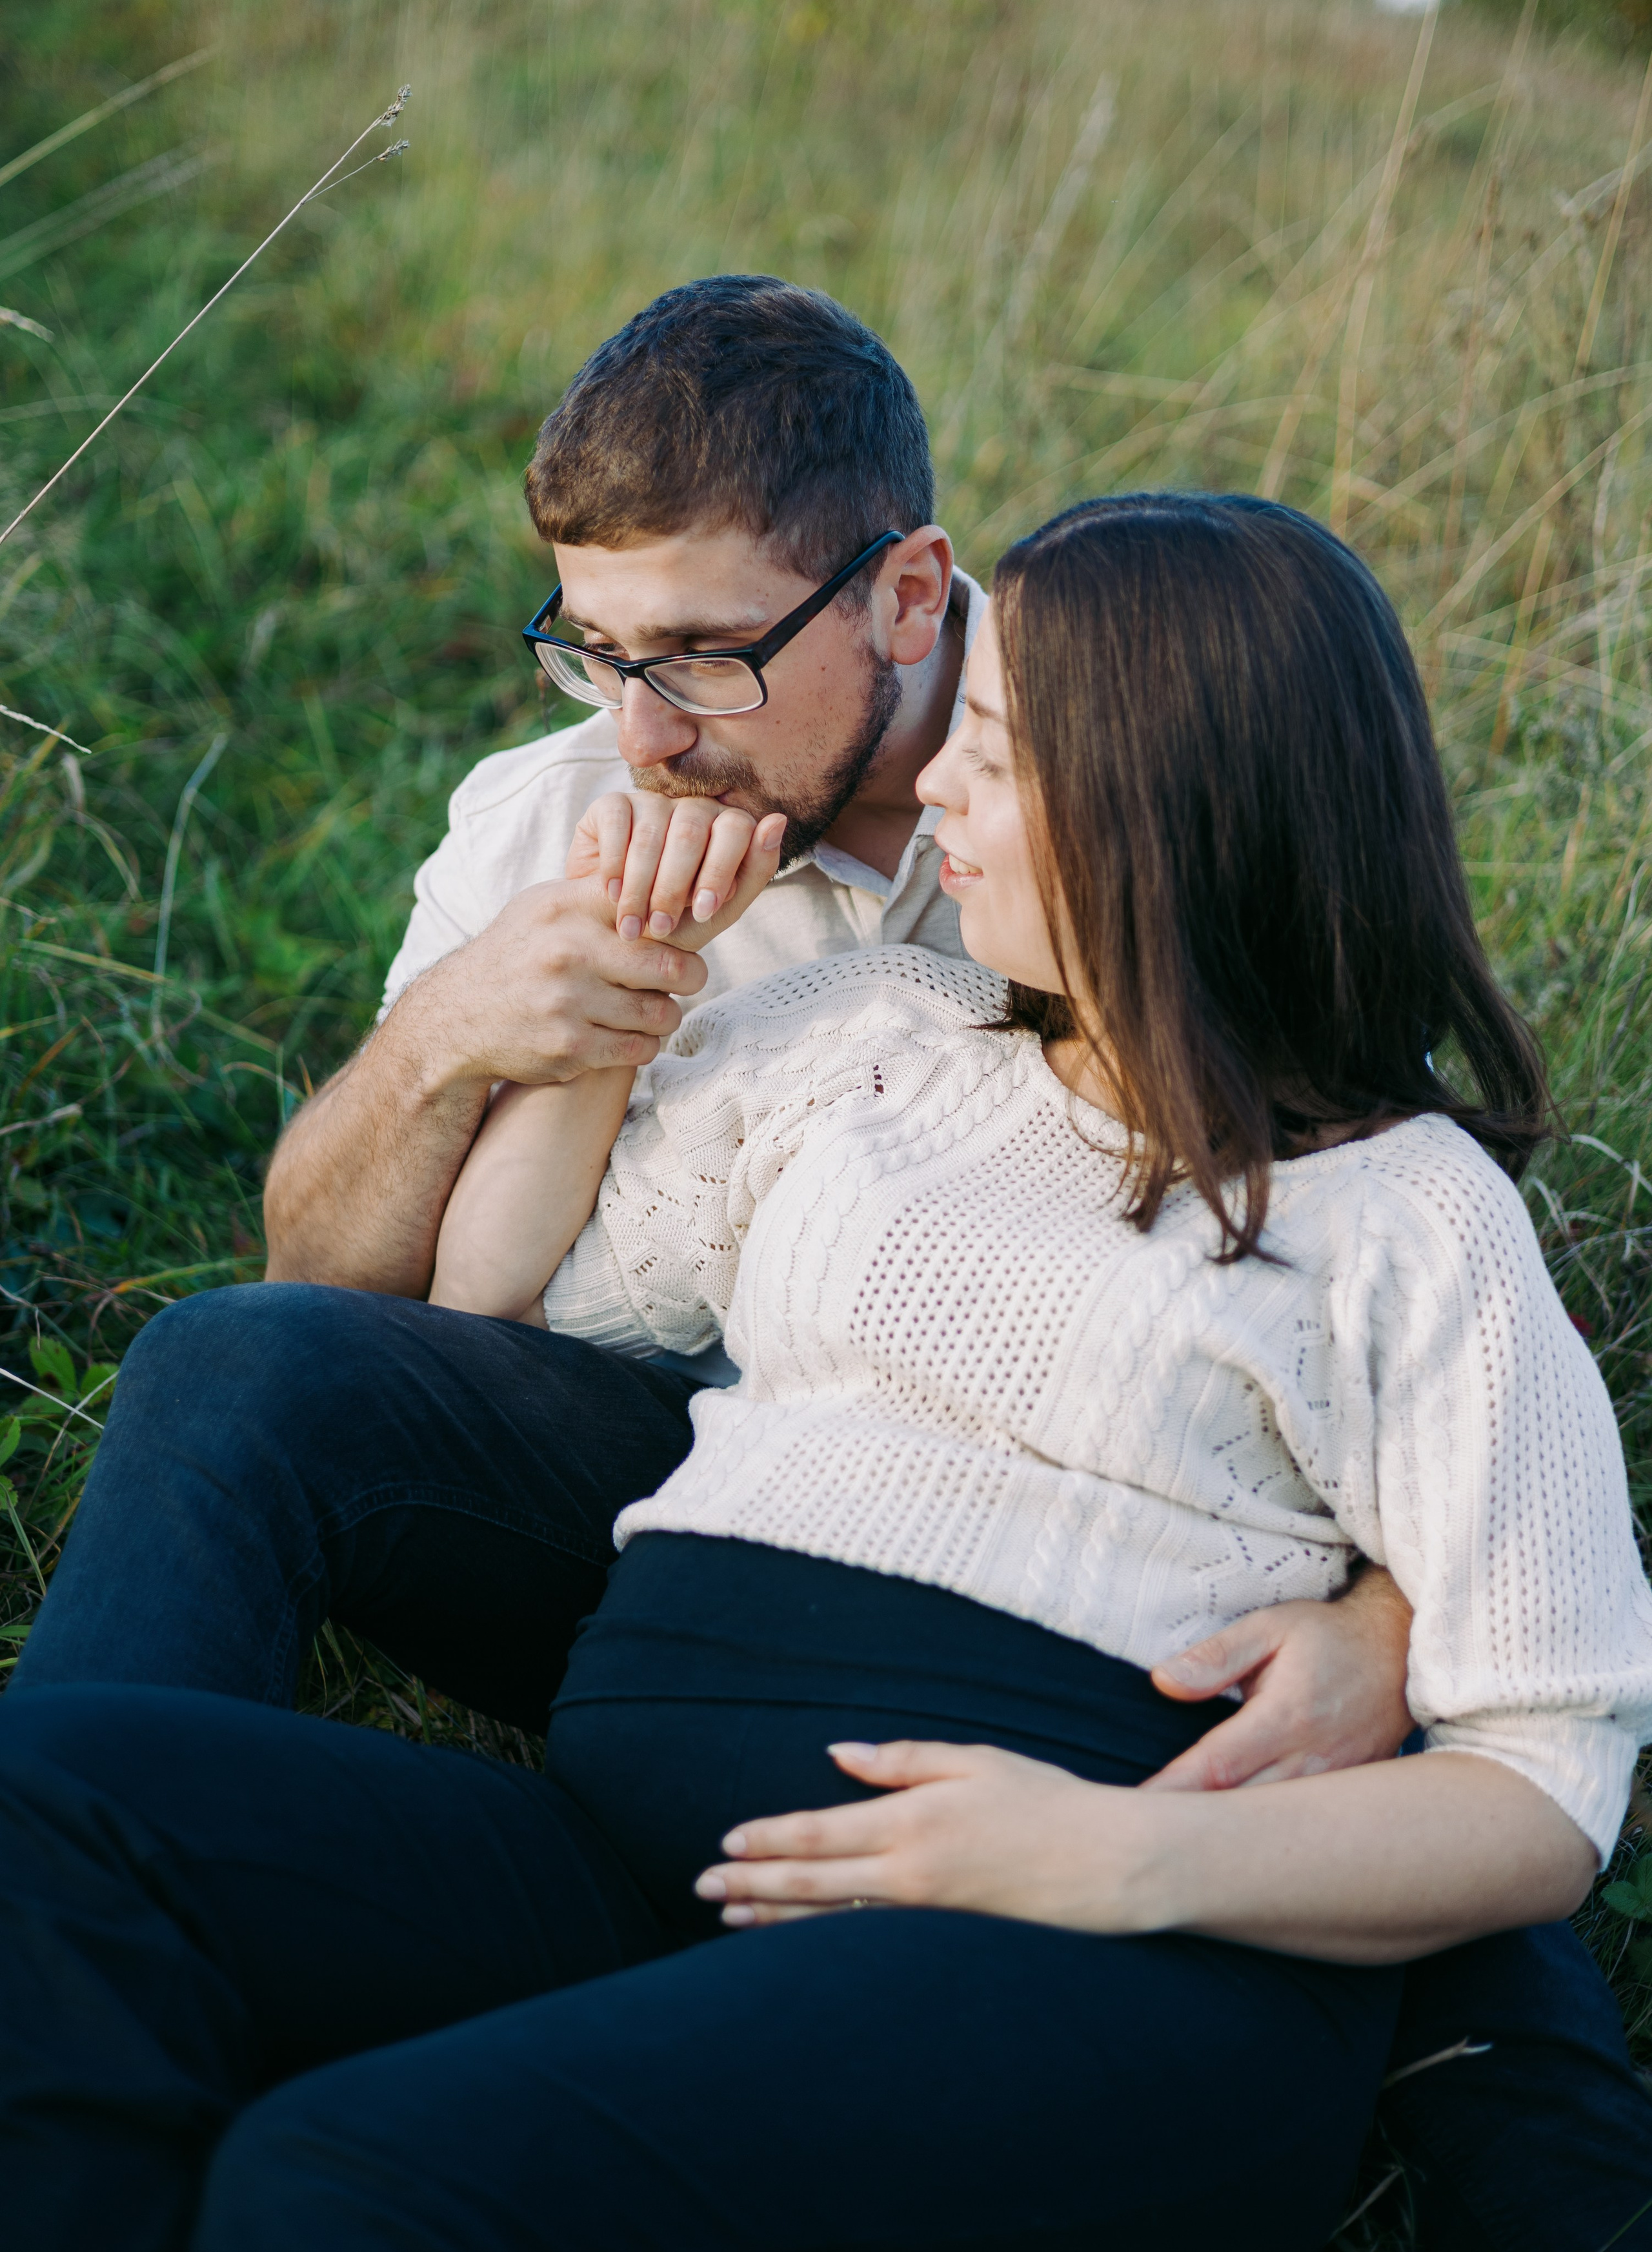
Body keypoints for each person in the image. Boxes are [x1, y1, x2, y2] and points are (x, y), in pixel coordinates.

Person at [8, 282, 1652, 2246]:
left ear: (911, 601)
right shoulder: (827, 999)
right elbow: (444, 1305)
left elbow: (1534, 1713)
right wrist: (521, 1020)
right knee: (82, 1730)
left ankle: (1523, 2148)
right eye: (594, 653)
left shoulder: (1391, 1196)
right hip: (669, 1668)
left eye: (700, 657)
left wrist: (1376, 1640)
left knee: (338, 2176)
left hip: (1067, 1791)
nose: (639, 728)